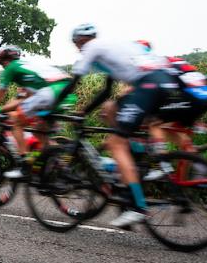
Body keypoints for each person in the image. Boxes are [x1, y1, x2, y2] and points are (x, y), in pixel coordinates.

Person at [52, 23, 199, 229]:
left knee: (115, 143)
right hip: (166, 82)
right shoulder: (112, 51)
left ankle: (138, 207)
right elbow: (106, 91)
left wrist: (52, 106)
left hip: (148, 85)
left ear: (81, 41)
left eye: (76, 44)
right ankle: (146, 164)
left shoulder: (92, 48)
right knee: (124, 120)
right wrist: (84, 111)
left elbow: (73, 83)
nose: (78, 49)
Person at [0, 45, 77, 179]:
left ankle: (25, 165)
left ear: (2, 60)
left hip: (51, 92)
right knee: (40, 131)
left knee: (16, 121)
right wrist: (2, 109)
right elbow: (23, 99)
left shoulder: (12, 67)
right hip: (67, 91)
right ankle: (56, 168)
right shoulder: (27, 68)